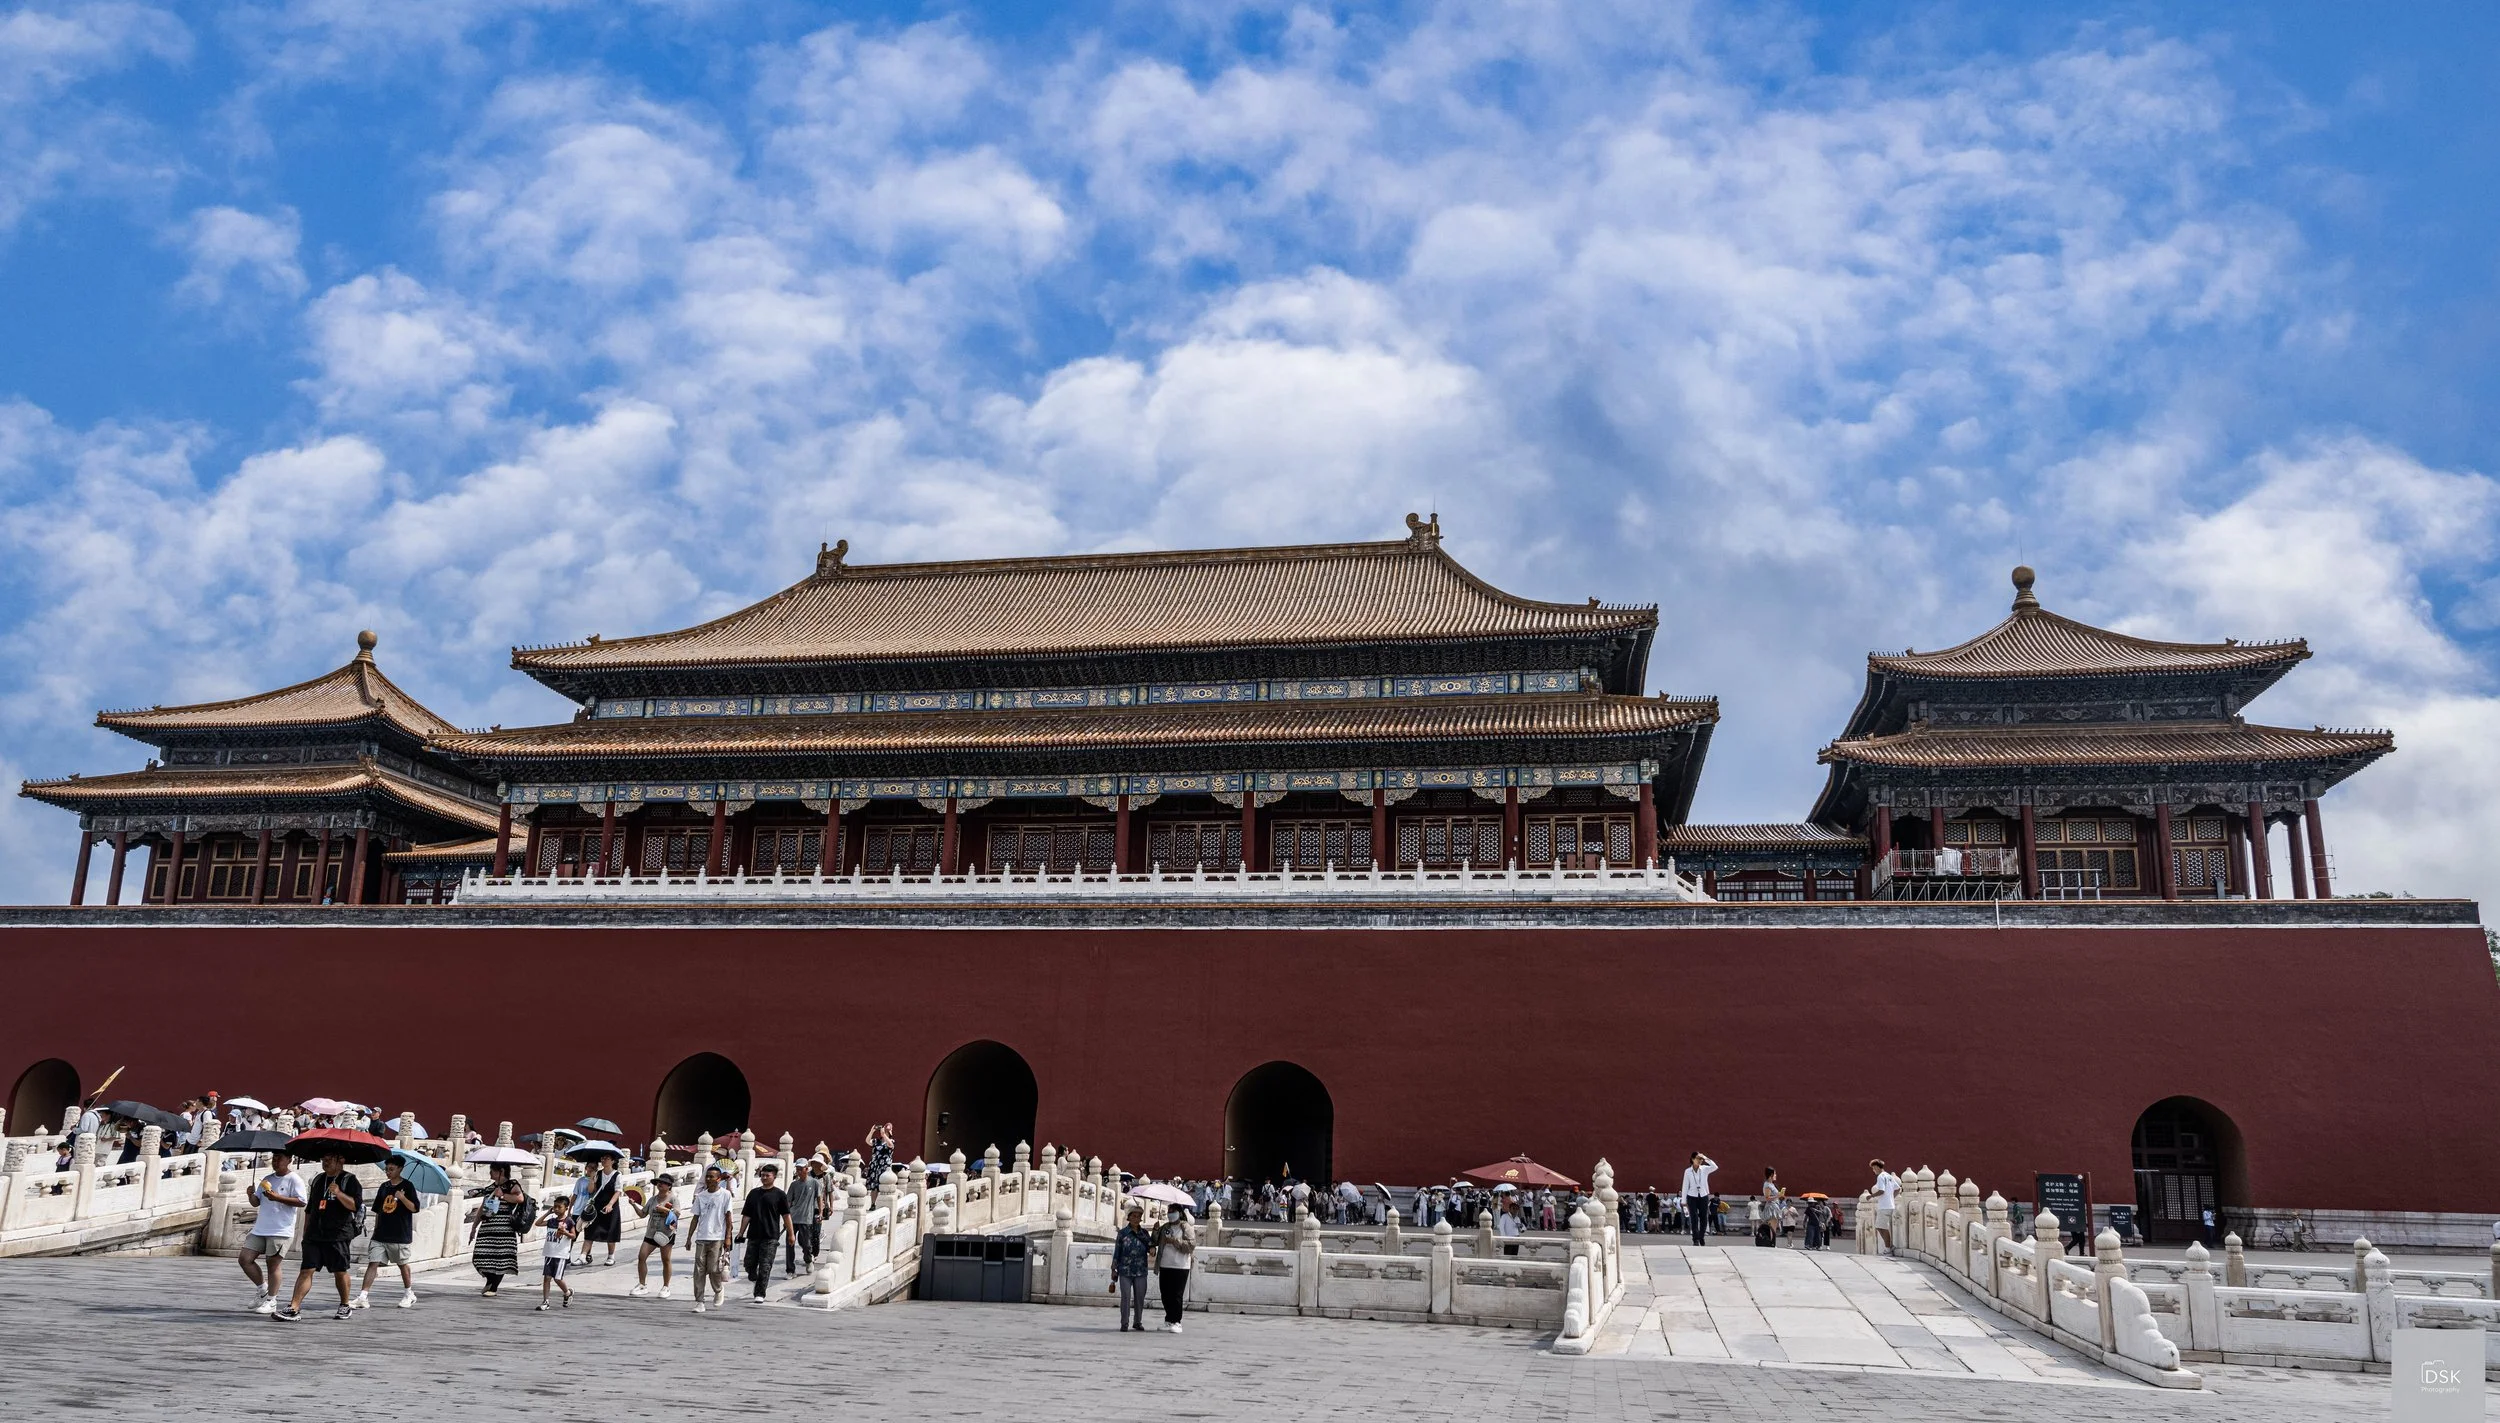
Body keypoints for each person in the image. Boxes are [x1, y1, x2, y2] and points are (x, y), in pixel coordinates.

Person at [278, 1151, 363, 1321]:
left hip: (338, 1234)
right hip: (315, 1234)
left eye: (330, 1159)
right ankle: (294, 1306)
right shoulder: (318, 1180)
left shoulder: (349, 1180)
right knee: (306, 1270)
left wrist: (338, 1193)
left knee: (340, 1271)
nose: (326, 1163)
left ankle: (344, 1304)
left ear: (341, 1160)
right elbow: (310, 1208)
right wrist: (305, 1233)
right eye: (323, 1159)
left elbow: (354, 1206)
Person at [239, 1148, 306, 1313]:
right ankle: (262, 1289)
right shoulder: (267, 1179)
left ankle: (272, 1300)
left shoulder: (294, 1179)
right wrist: (250, 1195)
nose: (276, 1162)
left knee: (273, 1264)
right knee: (245, 1259)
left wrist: (278, 1198)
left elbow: (302, 1201)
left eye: (279, 1158)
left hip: (281, 1229)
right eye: (274, 1158)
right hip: (261, 1227)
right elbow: (256, 1202)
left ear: (289, 1160)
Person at [354, 1156, 423, 1310]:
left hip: (399, 1234)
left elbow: (414, 1208)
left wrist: (402, 1197)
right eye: (386, 1169)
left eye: (391, 1169)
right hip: (381, 1234)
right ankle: (363, 1296)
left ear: (400, 1169)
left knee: (402, 1264)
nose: (388, 1172)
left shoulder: (408, 1186)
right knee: (373, 1263)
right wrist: (375, 1230)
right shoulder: (384, 1187)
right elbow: (378, 1210)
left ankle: (408, 1293)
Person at [736, 1162, 795, 1303]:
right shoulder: (754, 1193)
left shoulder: (780, 1195)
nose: (764, 1178)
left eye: (767, 1175)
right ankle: (753, 1276)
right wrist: (741, 1232)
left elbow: (786, 1216)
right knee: (749, 1264)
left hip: (771, 1236)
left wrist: (791, 1234)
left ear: (774, 1177)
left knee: (765, 1265)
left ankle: (760, 1293)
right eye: (762, 1175)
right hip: (753, 1234)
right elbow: (747, 1215)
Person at [468, 1167, 528, 1297]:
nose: (490, 1172)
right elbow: (483, 1207)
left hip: (504, 1227)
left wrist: (503, 1195)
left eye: (492, 1170)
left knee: (501, 1258)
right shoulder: (490, 1188)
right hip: (488, 1226)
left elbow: (520, 1198)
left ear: (501, 1170)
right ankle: (490, 1281)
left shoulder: (512, 1185)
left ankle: (493, 1287)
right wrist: (474, 1226)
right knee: (480, 1256)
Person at [688, 1164, 734, 1313]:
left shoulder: (725, 1195)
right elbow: (695, 1218)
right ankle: (700, 1301)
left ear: (719, 1179)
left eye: (711, 1177)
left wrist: (728, 1237)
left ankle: (718, 1289)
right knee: (699, 1270)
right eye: (707, 1176)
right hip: (702, 1237)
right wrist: (689, 1237)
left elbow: (728, 1218)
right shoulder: (701, 1196)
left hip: (717, 1237)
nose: (708, 1179)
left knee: (714, 1269)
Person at [630, 1176, 681, 1299]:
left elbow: (677, 1213)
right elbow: (643, 1214)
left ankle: (666, 1286)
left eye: (664, 1183)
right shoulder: (653, 1199)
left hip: (666, 1233)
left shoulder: (673, 1198)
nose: (660, 1185)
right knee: (642, 1256)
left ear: (669, 1186)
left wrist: (664, 1209)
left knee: (666, 1259)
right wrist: (634, 1205)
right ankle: (642, 1284)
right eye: (659, 1183)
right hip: (651, 1233)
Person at [1110, 1203, 1154, 1331]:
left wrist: (1152, 1248)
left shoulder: (1144, 1233)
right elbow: (1117, 1251)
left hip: (1141, 1270)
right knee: (1126, 1297)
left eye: (1138, 1216)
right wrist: (1114, 1269)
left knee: (1139, 1297)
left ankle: (1137, 1321)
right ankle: (1124, 1323)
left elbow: (1151, 1246)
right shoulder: (1123, 1233)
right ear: (1128, 1218)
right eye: (1133, 1216)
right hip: (1125, 1269)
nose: (1136, 1218)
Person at [1153, 1203, 1195, 1333]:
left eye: (1173, 1211)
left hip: (1180, 1266)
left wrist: (1174, 1241)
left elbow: (1190, 1245)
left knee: (1176, 1295)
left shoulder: (1185, 1227)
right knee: (1165, 1294)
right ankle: (1169, 1319)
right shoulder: (1165, 1227)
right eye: (1169, 1211)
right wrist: (1155, 1230)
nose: (1170, 1214)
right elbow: (1155, 1241)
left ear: (1179, 1213)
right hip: (1165, 1264)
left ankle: (1177, 1321)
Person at [580, 1158, 623, 1266]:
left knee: (611, 1230)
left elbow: (618, 1191)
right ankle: (583, 1256)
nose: (603, 1160)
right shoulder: (598, 1174)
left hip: (611, 1206)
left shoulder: (617, 1175)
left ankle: (611, 1256)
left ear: (612, 1161)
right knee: (590, 1230)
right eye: (602, 1158)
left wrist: (610, 1204)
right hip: (597, 1205)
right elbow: (591, 1190)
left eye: (606, 1159)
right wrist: (591, 1179)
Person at [538, 1195, 578, 1310]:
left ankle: (567, 1292)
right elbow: (538, 1223)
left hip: (560, 1254)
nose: (556, 1209)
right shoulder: (551, 1221)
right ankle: (545, 1301)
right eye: (554, 1207)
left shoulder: (568, 1221)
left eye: (559, 1207)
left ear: (566, 1208)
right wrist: (547, 1213)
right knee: (547, 1277)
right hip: (549, 1253)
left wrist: (565, 1232)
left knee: (557, 1278)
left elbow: (573, 1235)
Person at [786, 1158, 823, 1275]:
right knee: (789, 1244)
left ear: (806, 1169)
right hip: (793, 1217)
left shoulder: (814, 1183)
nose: (799, 1171)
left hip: (806, 1218)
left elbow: (819, 1198)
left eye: (801, 1169)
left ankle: (808, 1260)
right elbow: (788, 1202)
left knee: (806, 1243)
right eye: (797, 1169)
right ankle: (790, 1270)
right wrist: (785, 1217)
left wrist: (821, 1213)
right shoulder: (794, 1185)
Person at [1680, 1152, 1717, 1246]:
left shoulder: (1704, 1169)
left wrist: (1705, 1157)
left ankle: (1701, 1237)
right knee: (1694, 1218)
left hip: (1703, 1195)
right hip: (1691, 1196)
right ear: (1692, 1159)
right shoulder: (1687, 1171)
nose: (1700, 1160)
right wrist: (1684, 1201)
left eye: (1701, 1159)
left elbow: (1715, 1167)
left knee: (1704, 1217)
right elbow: (1685, 1186)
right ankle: (1695, 1239)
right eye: (1698, 1158)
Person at [1868, 1159, 1901, 1255]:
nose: (1873, 1170)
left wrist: (1871, 1195)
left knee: (1881, 1227)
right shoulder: (1889, 1176)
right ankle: (1889, 1246)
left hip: (1884, 1206)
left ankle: (1888, 1248)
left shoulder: (1881, 1177)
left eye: (1873, 1168)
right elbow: (1898, 1189)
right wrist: (1891, 1198)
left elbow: (1881, 1191)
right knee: (1879, 1226)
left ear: (1878, 1167)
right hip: (1889, 1205)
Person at [1756, 1168, 1783, 1248]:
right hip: (1771, 1207)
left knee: (1774, 1226)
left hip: (1775, 1205)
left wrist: (1780, 1195)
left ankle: (1772, 1242)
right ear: (1771, 1175)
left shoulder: (1772, 1184)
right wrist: (1777, 1196)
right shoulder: (1767, 1185)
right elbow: (1767, 1198)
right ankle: (1772, 1243)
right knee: (1772, 1226)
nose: (1776, 1175)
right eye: (1774, 1174)